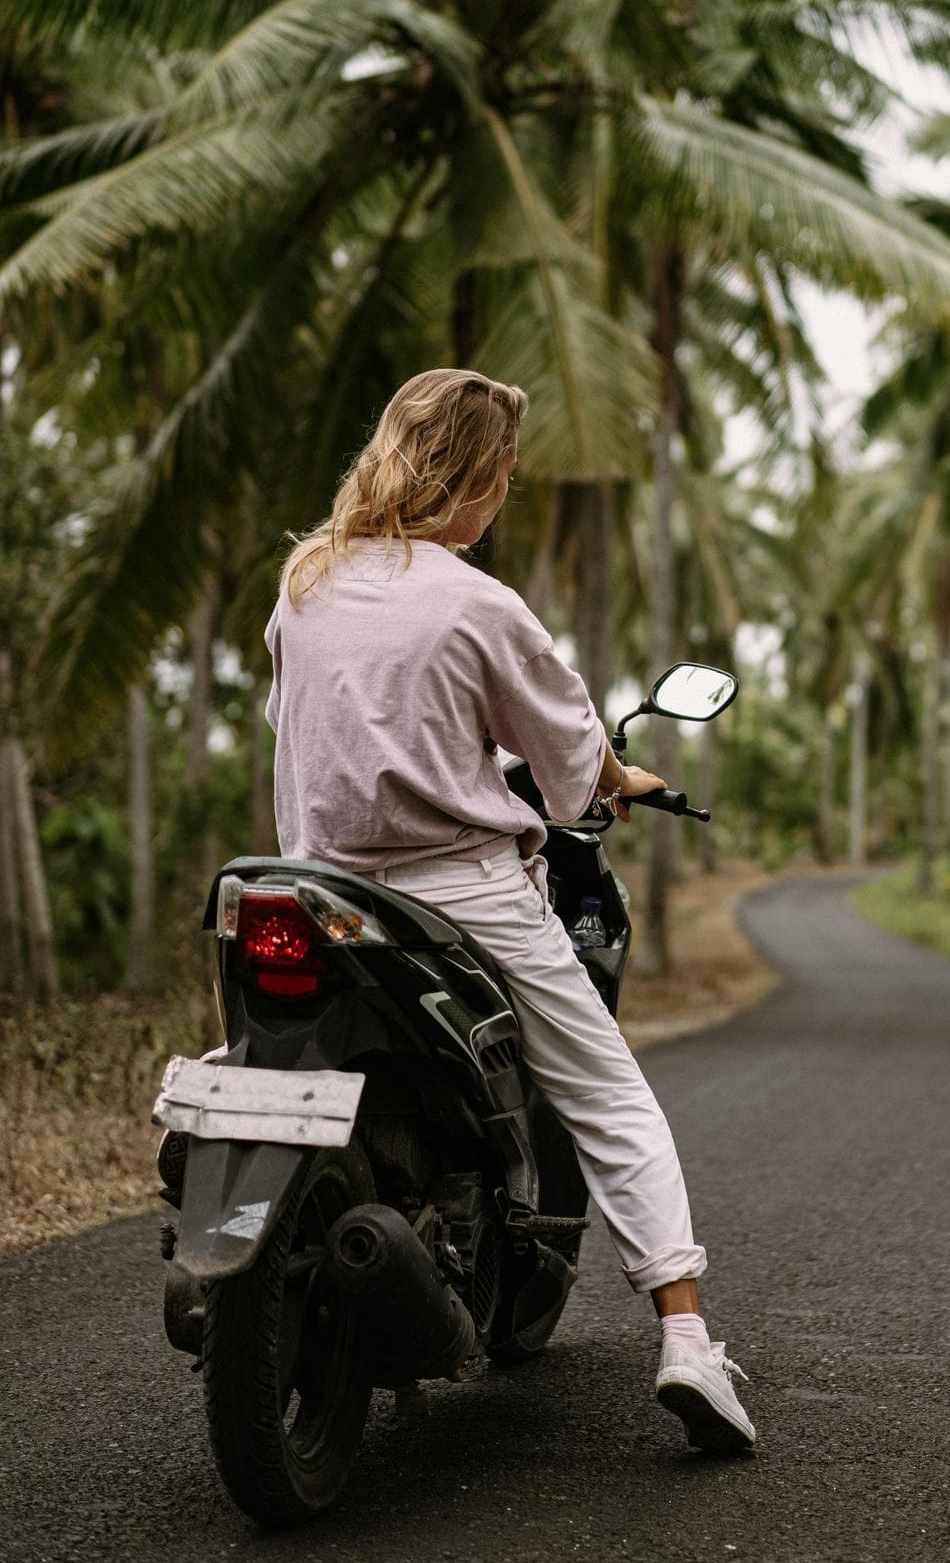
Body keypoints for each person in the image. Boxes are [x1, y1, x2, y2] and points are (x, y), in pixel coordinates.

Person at [264, 368, 754, 1454]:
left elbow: (312, 725)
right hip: (459, 894)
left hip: (314, 890)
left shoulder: (305, 582)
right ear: (477, 475)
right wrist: (621, 779)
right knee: (612, 1097)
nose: (504, 493)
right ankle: (687, 1342)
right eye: (505, 474)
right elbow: (576, 768)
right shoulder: (480, 602)